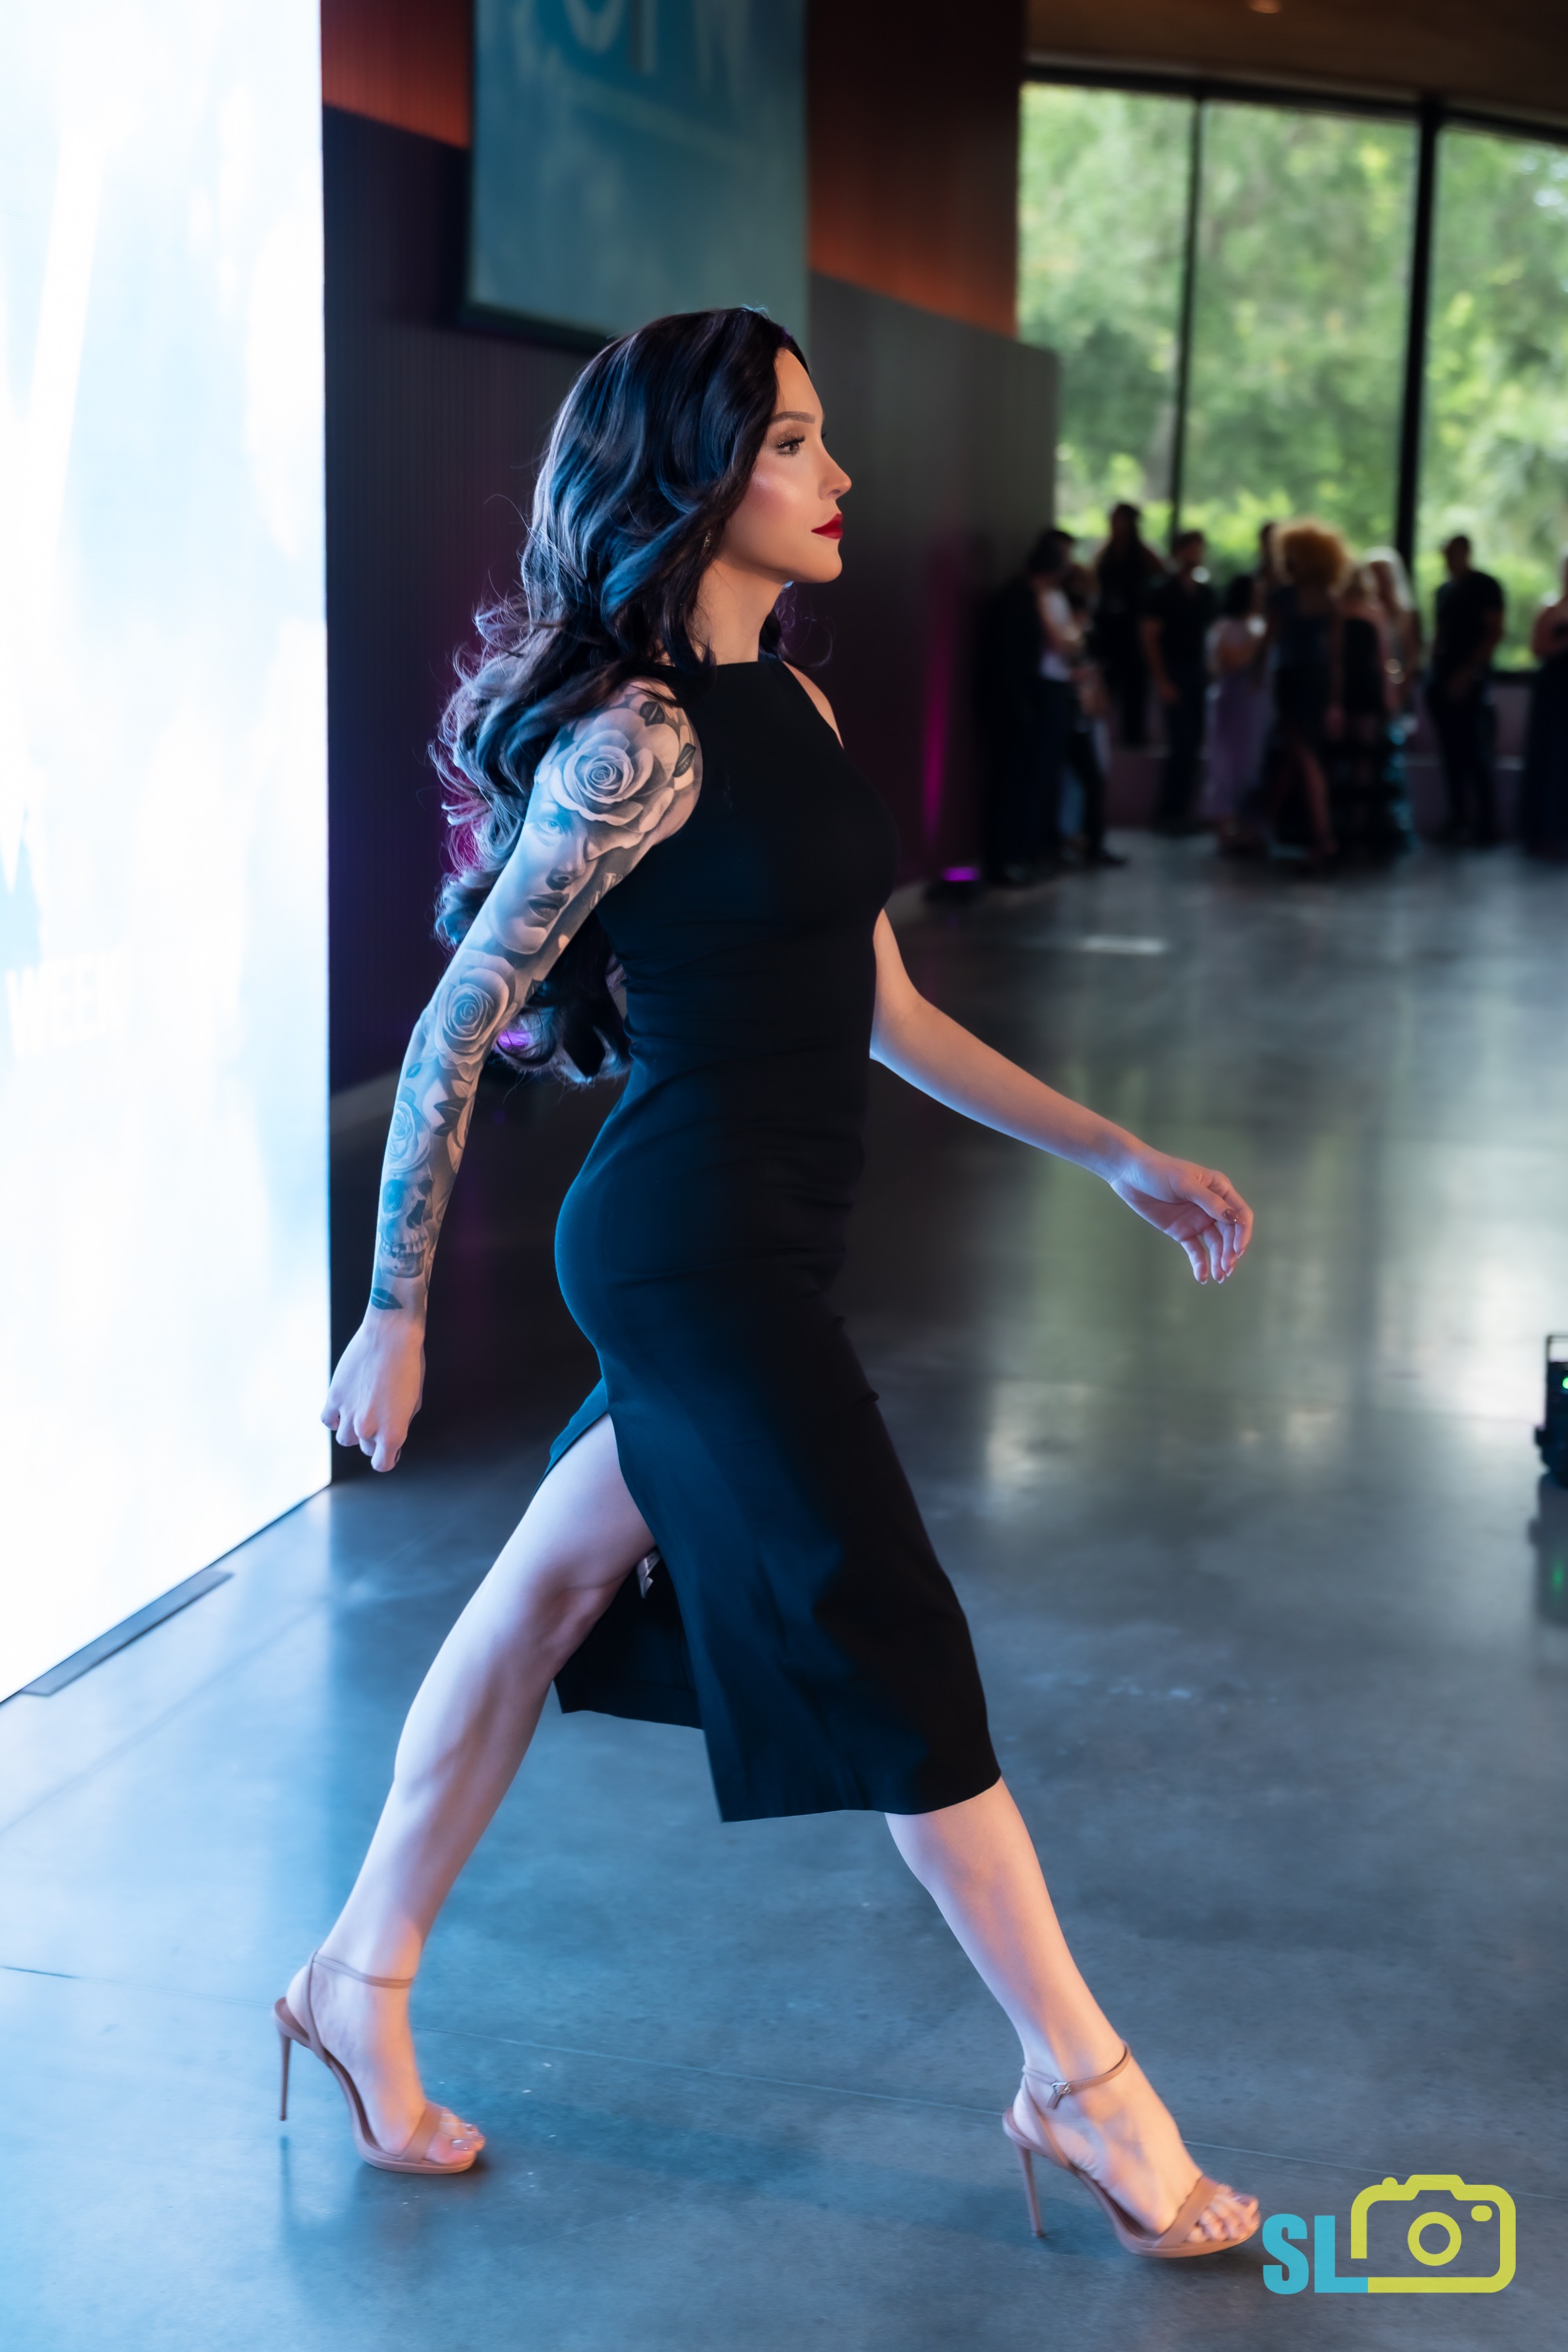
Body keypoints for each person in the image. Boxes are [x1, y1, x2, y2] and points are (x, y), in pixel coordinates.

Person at [281, 308, 1260, 2263]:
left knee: (544, 1598)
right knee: (887, 1634)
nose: (836, 477)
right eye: (794, 443)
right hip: (692, 1261)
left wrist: (1111, 1150)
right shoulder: (630, 743)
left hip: (759, 1242)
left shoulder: (793, 713)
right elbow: (458, 1020)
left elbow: (881, 1009)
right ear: (695, 470)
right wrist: (391, 1311)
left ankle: (351, 1978)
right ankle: (1078, 2084)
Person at [974, 531, 1065, 884]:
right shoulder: (1019, 601)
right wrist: (1020, 706)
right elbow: (1008, 660)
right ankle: (1002, 862)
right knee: (1008, 784)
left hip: (1016, 703)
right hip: (1010, 706)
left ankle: (1014, 857)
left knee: (1018, 783)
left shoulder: (1021, 597)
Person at [1264, 519, 1348, 865]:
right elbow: (1336, 659)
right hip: (1315, 681)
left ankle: (1323, 837)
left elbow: (1267, 642)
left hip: (1294, 680)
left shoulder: (1283, 598)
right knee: (1296, 756)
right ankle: (1272, 825)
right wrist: (1335, 702)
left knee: (1304, 756)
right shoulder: (1329, 600)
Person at [1426, 534, 1505, 845]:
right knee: (1450, 753)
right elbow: (1439, 634)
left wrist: (1469, 671)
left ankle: (1486, 823)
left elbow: (1494, 632)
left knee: (1475, 751)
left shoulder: (1485, 586)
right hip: (1443, 678)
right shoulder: (1444, 591)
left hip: (1471, 680)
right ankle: (1458, 818)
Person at [1141, 529, 1218, 833]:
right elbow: (1150, 638)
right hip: (1174, 671)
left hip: (1197, 673)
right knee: (1180, 743)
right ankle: (1169, 812)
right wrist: (1162, 679)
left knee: (1193, 743)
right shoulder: (1162, 593)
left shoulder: (1205, 594)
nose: (1194, 555)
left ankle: (1184, 810)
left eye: (1198, 549)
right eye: (1189, 549)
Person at [1090, 502, 1166, 746]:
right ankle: (1100, 733)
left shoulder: (1142, 554)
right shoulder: (1107, 552)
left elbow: (1163, 576)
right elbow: (1095, 582)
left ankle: (1133, 736)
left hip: (1134, 628)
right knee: (1106, 681)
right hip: (1108, 627)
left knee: (1135, 684)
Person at [1202, 572, 1268, 849]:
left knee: (1252, 765)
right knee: (1227, 765)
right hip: (1232, 704)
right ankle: (1225, 827)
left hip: (1256, 707)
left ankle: (1248, 828)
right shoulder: (1226, 627)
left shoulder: (1259, 625)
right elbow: (1228, 661)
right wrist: (1261, 641)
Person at [1520, 549, 1568, 858]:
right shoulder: (1550, 608)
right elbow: (1537, 648)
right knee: (1549, 754)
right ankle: (1544, 829)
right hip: (1554, 688)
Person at [1363, 546, 1423, 715]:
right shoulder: (1366, 612)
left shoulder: (1407, 615)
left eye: (1381, 575)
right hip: (1369, 686)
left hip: (1397, 687)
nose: (1377, 581)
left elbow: (1412, 657)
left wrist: (1400, 692)